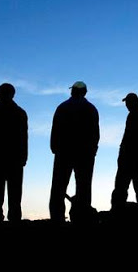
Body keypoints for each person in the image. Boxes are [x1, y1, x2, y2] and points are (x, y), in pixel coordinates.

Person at [49, 81, 99, 224]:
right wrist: (92, 151)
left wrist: (55, 148)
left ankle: (57, 219)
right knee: (84, 187)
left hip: (64, 153)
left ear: (72, 92)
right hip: (85, 155)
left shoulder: (63, 107)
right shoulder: (91, 109)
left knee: (58, 187)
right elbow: (95, 134)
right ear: (85, 92)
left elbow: (55, 130)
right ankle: (82, 219)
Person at [0, 83, 28, 222]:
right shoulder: (20, 112)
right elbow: (24, 138)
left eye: (0, 93)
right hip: (15, 158)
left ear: (7, 94)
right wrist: (23, 158)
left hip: (0, 156)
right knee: (14, 193)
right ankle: (13, 219)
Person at [111, 92, 138, 212]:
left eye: (128, 102)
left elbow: (133, 138)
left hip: (130, 158)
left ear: (133, 102)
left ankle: (117, 209)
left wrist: (125, 153)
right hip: (135, 158)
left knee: (122, 185)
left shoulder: (136, 115)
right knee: (137, 184)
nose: (126, 105)